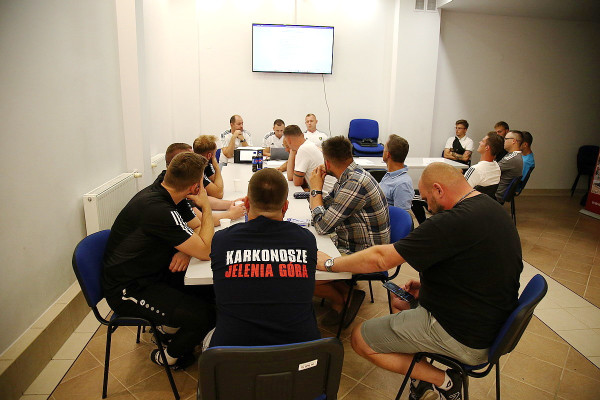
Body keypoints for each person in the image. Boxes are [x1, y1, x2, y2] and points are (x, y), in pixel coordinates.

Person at [316, 162, 522, 400]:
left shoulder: (452, 221)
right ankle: (420, 378)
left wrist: (329, 263)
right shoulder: (491, 208)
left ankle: (445, 383)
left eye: (426, 199)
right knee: (399, 303)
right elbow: (484, 269)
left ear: (438, 189)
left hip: (466, 338)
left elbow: (381, 259)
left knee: (360, 338)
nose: (428, 207)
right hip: (491, 324)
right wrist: (427, 288)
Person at [102, 152, 216, 369]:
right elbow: (205, 250)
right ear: (195, 188)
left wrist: (186, 250)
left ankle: (169, 329)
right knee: (205, 316)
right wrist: (206, 206)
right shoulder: (158, 209)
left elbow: (195, 232)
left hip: (152, 273)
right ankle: (168, 356)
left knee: (212, 292)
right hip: (128, 289)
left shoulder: (165, 193)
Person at [207, 168, 321, 347]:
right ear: (285, 206)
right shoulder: (306, 240)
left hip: (232, 353)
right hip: (300, 353)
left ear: (246, 202)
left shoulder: (222, 240)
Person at [309, 136, 390, 327]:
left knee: (299, 273)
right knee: (306, 254)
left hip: (366, 252)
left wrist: (315, 189)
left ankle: (342, 299)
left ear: (327, 162)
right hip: (355, 242)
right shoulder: (349, 176)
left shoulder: (355, 183)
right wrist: (317, 194)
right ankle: (347, 292)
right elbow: (326, 207)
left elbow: (322, 225)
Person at [284, 124, 335, 192]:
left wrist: (292, 150)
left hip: (325, 194)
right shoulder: (308, 145)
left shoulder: (303, 149)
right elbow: (291, 177)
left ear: (288, 140)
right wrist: (292, 151)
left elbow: (297, 182)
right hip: (330, 190)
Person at [379, 134, 413, 211]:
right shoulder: (390, 174)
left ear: (388, 154)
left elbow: (401, 215)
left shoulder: (402, 184)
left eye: (384, 148)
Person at [496, 130, 524, 201]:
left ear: (514, 141)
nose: (504, 141)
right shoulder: (513, 155)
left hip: (496, 193)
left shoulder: (512, 158)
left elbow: (492, 170)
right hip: (497, 190)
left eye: (506, 139)